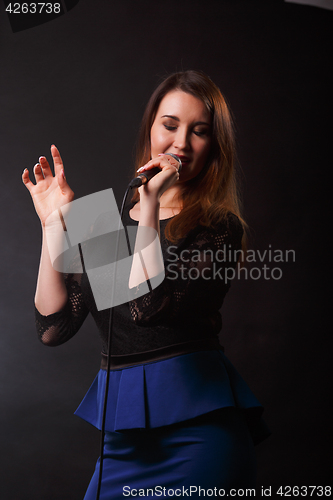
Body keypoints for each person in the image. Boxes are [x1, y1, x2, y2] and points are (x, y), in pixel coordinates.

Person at [22, 70, 270, 499]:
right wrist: (53, 228)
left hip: (199, 437)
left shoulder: (218, 228)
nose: (181, 143)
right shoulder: (106, 223)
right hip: (123, 446)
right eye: (169, 125)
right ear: (151, 128)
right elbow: (53, 328)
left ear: (214, 146)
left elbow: (148, 305)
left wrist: (152, 203)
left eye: (200, 132)